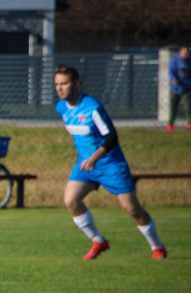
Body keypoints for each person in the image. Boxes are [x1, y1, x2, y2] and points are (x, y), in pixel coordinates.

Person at [54, 65, 167, 261]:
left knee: (132, 209)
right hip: (85, 165)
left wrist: (94, 158)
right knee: (70, 201)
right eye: (56, 84)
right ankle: (98, 241)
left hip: (110, 164)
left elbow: (112, 137)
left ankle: (157, 247)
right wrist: (87, 158)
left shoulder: (92, 107)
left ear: (77, 83)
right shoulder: (61, 107)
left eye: (64, 83)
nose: (59, 88)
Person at [167, 45, 191, 132]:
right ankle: (170, 124)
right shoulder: (174, 60)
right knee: (173, 107)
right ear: (180, 52)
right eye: (184, 53)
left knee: (188, 106)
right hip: (175, 88)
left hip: (186, 88)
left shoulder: (189, 61)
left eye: (187, 53)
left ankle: (189, 123)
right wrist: (173, 79)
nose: (185, 55)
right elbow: (171, 71)